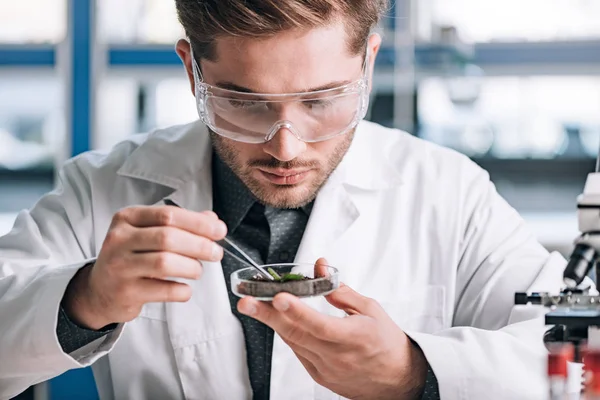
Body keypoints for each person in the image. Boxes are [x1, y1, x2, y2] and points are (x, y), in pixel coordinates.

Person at [0, 0, 569, 399]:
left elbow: (582, 355)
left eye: (322, 100)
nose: (285, 146)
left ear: (367, 63)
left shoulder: (448, 193)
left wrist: (413, 372)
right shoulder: (102, 189)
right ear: (191, 69)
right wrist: (84, 299)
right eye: (243, 103)